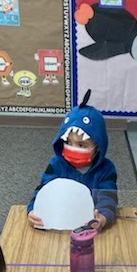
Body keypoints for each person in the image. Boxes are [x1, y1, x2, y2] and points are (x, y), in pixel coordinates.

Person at [27, 89, 118, 230]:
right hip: (58, 221)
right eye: (68, 142)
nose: (73, 148)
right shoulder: (56, 164)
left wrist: (102, 218)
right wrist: (33, 210)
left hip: (88, 226)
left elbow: (108, 198)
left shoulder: (106, 169)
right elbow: (43, 190)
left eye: (81, 145)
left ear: (98, 147)